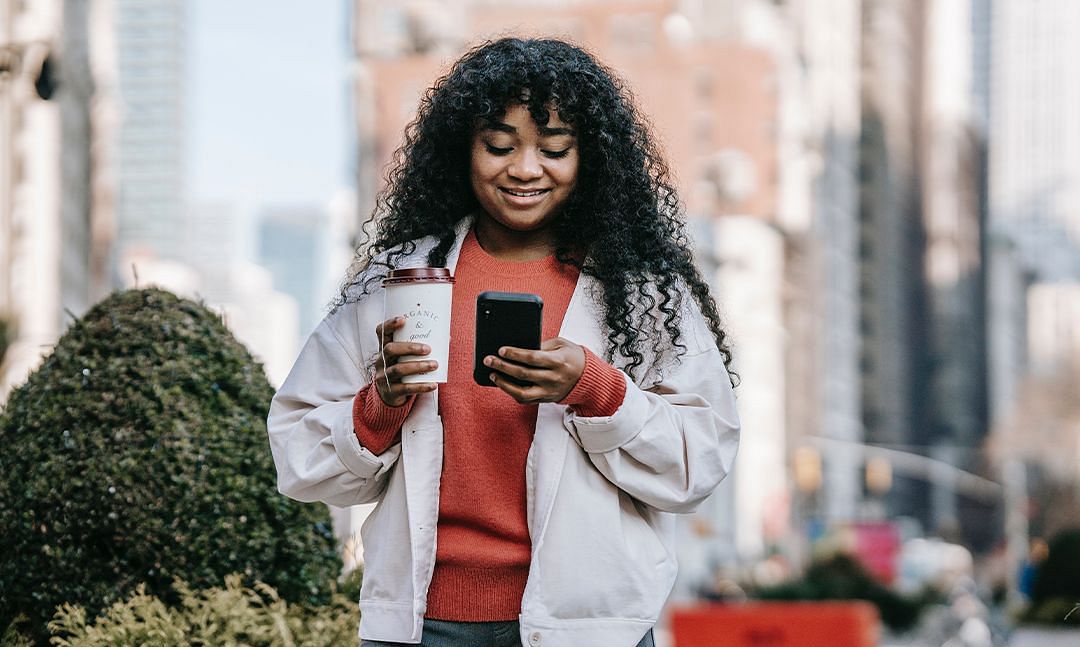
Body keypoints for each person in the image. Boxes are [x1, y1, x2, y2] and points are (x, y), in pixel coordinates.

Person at [268, 37, 740, 647]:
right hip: (419, 625)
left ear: (589, 159)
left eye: (554, 149)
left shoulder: (643, 294)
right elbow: (297, 455)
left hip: (588, 629)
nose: (524, 169)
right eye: (499, 146)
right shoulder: (397, 282)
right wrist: (380, 403)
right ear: (461, 151)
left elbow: (699, 460)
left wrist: (597, 392)